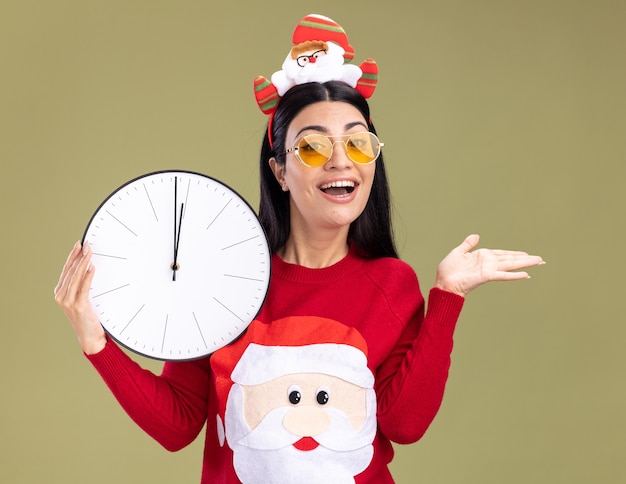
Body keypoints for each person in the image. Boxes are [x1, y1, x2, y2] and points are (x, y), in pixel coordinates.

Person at [54, 14, 544, 484]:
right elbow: (177, 425)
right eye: (312, 148)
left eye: (357, 144)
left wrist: (447, 297)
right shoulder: (220, 280)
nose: (339, 162)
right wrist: (95, 341)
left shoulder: (391, 283)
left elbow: (404, 425)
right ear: (281, 172)